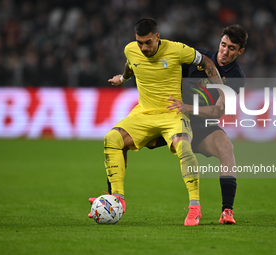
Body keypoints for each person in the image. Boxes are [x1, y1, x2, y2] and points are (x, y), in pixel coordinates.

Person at [88, 18, 222, 226]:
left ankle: (195, 207)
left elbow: (207, 62)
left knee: (184, 147)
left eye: (148, 42)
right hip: (144, 113)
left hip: (172, 113)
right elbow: (131, 65)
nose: (143, 47)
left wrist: (223, 93)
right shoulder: (131, 50)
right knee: (112, 138)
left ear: (158, 37)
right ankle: (117, 199)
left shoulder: (177, 50)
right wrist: (122, 79)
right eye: (139, 42)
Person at [147, 24, 248, 224]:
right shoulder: (199, 57)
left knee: (227, 148)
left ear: (240, 51)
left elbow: (218, 111)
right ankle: (113, 196)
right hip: (175, 119)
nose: (225, 52)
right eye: (223, 45)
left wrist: (187, 107)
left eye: (232, 48)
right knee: (132, 139)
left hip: (203, 126)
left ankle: (227, 211)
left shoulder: (236, 77)